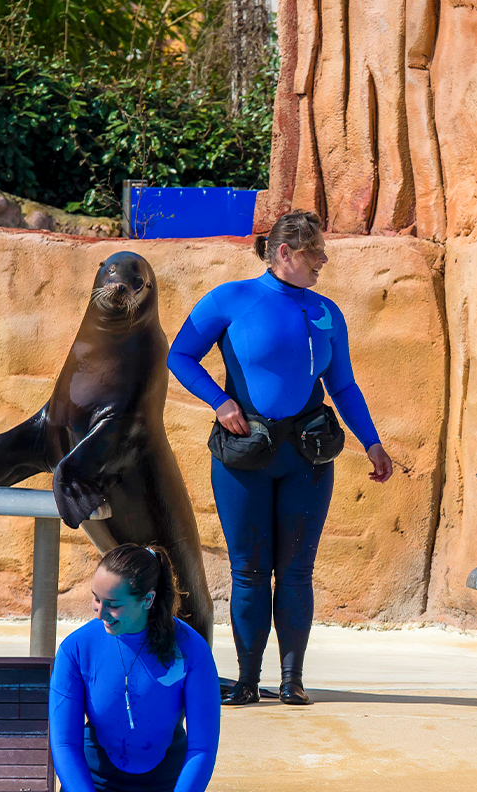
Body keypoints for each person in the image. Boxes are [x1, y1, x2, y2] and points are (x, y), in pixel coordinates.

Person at [168, 209, 392, 707]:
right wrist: (220, 402)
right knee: (249, 569)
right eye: (315, 253)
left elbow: (344, 384)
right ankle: (248, 680)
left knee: (296, 571)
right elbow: (180, 355)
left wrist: (371, 440)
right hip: (245, 452)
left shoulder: (326, 311)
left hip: (307, 456)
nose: (323, 261)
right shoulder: (231, 299)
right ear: (285, 253)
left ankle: (292, 679)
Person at [49, 543, 220, 792]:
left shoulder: (190, 649)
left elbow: (202, 748)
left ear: (147, 600)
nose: (100, 613)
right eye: (96, 599)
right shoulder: (77, 648)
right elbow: (64, 744)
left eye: (112, 604)